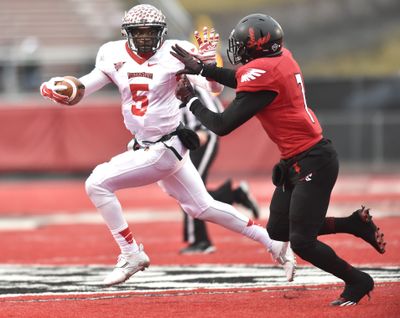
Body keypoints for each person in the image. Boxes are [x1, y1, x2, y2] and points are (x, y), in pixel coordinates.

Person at [39, 4, 296, 287]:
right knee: (202, 207)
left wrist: (210, 62)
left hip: (165, 147)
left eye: (152, 32)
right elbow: (84, 87)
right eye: (140, 33)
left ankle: (131, 253)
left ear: (162, 33)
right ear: (127, 34)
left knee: (97, 183)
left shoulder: (176, 52)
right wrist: (61, 87)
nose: (146, 38)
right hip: (147, 145)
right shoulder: (111, 53)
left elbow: (214, 90)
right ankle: (271, 241)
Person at [170, 14, 386, 306]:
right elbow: (241, 76)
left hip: (313, 161)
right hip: (297, 160)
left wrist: (191, 101)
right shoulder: (281, 58)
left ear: (256, 46)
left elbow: (222, 125)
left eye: (242, 45)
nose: (239, 51)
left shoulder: (264, 76)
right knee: (278, 230)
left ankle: (358, 280)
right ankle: (353, 224)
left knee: (302, 242)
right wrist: (203, 69)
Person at [179, 85, 260, 254]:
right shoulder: (167, 85)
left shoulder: (195, 88)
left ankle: (201, 241)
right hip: (185, 144)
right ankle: (235, 194)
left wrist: (204, 133)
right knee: (188, 190)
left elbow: (214, 111)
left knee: (190, 190)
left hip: (202, 141)